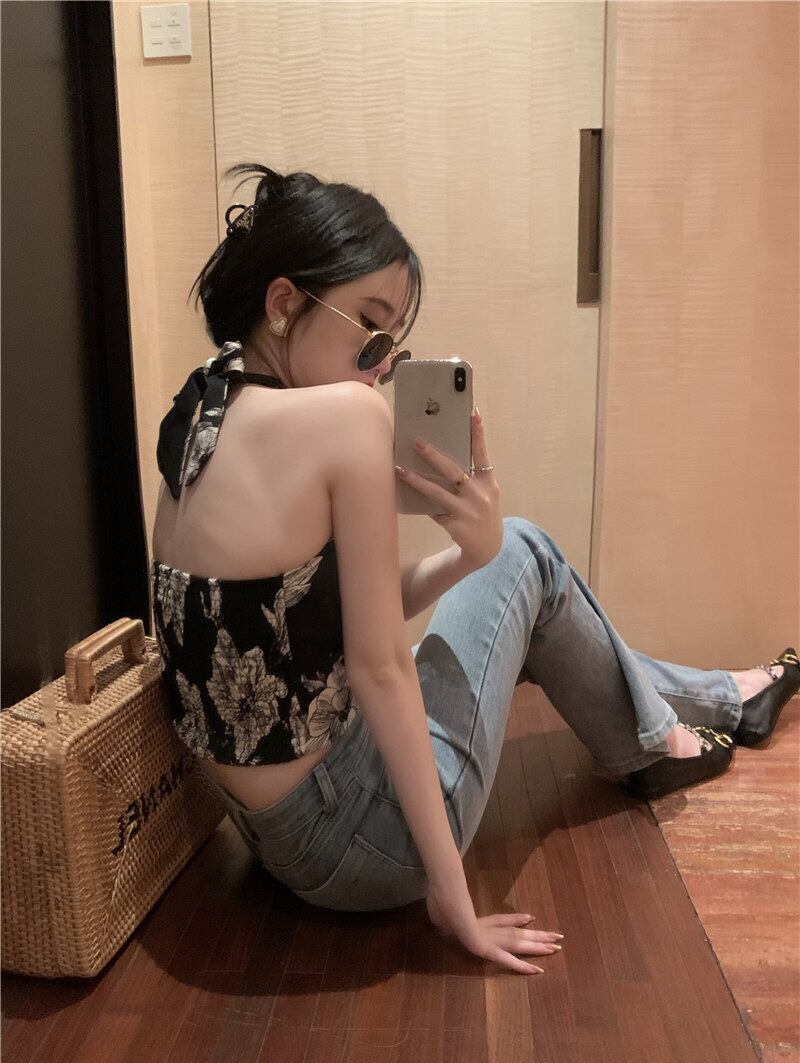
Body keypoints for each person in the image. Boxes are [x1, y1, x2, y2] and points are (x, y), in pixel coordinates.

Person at [150, 162, 800, 978]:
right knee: (528, 550)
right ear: (283, 303)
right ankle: (664, 737)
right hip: (360, 842)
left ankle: (719, 699)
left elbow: (323, 621)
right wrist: (452, 899)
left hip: (266, 839)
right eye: (371, 333)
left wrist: (470, 556)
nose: (380, 369)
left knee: (507, 555)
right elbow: (380, 668)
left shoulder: (203, 408)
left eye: (393, 350)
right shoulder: (343, 418)